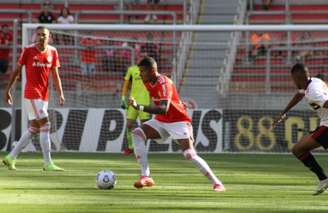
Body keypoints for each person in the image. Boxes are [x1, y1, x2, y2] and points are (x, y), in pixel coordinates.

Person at [128, 56, 225, 192]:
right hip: (162, 120)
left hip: (178, 121)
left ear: (152, 70)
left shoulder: (164, 82)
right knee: (137, 133)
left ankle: (217, 183)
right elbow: (160, 102)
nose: (140, 74)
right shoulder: (147, 82)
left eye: (143, 71)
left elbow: (163, 108)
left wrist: (139, 107)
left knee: (189, 154)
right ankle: (145, 176)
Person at [3, 26, 65, 171]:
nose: (41, 37)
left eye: (44, 35)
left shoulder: (53, 51)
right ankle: (48, 163)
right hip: (31, 93)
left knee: (34, 128)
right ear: (34, 36)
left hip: (44, 96)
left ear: (49, 37)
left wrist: (60, 92)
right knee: (46, 125)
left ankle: (10, 157)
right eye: (38, 35)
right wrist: (8, 90)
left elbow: (55, 75)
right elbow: (16, 71)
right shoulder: (28, 50)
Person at [273, 63, 328, 195]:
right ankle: (323, 179)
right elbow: (300, 94)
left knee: (298, 149)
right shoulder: (314, 81)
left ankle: (323, 179)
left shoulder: (313, 92)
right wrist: (284, 112)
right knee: (299, 149)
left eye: (293, 79)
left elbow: (326, 103)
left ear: (297, 77)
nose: (293, 82)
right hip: (324, 124)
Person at [121, 64, 151, 156]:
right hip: (132, 100)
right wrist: (123, 98)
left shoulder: (149, 69)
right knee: (129, 125)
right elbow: (126, 85)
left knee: (145, 126)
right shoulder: (131, 69)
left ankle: (142, 149)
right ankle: (130, 148)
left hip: (145, 101)